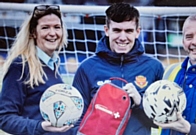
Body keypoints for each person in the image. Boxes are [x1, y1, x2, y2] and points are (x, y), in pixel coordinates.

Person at [72, 2, 164, 135]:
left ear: (137, 32)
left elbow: (161, 121)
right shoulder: (87, 68)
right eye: (117, 30)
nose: (122, 37)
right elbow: (75, 118)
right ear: (106, 30)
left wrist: (140, 103)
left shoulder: (154, 68)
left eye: (128, 31)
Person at [0, 5, 78, 135]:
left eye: (57, 27)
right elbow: (4, 118)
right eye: (45, 27)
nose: (52, 33)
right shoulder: (20, 66)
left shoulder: (53, 65)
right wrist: (40, 126)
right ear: (33, 33)